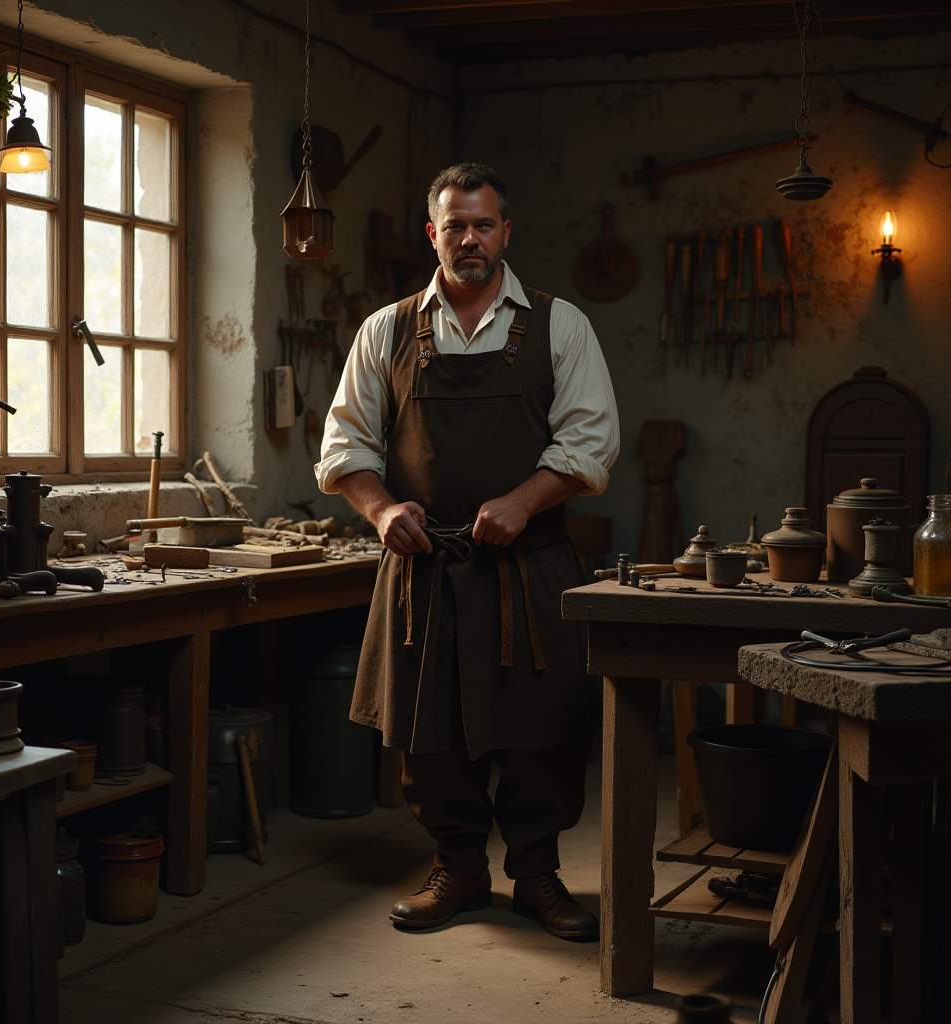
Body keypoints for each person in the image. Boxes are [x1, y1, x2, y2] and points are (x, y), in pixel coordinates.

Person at [315, 163, 619, 941]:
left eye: (484, 224)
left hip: (532, 567)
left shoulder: (560, 325)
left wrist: (522, 502)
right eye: (455, 225)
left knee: (542, 729)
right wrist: (380, 511)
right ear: (434, 234)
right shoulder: (386, 329)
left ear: (506, 232)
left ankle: (538, 875)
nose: (471, 238)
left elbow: (590, 442)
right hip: (425, 568)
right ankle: (459, 868)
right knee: (429, 732)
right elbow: (343, 446)